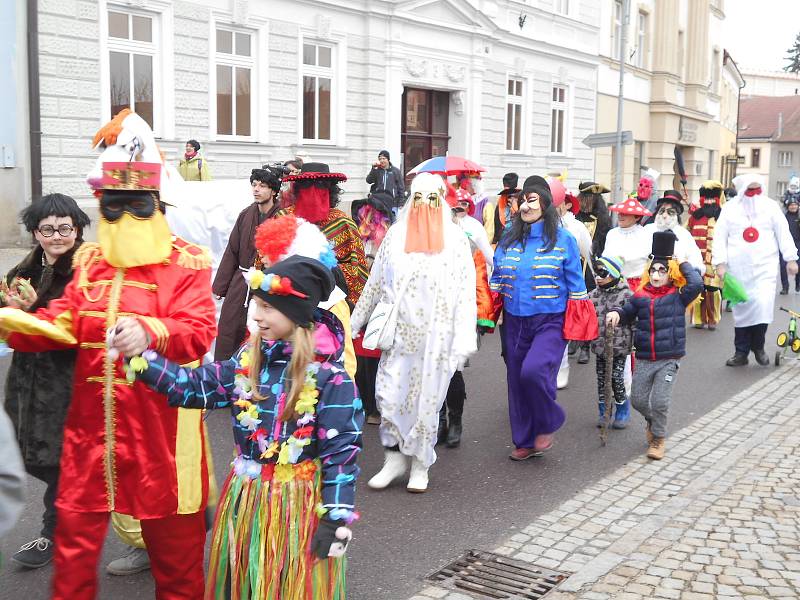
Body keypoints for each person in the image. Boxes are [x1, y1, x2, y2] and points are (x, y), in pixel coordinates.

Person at [0, 161, 217, 599]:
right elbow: (64, 322)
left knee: (177, 561)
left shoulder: (186, 261)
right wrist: (10, 320)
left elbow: (198, 331)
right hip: (89, 437)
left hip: (162, 436)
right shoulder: (92, 262)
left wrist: (153, 331)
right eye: (113, 209)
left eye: (137, 207)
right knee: (73, 556)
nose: (125, 219)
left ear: (157, 207)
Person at [130, 255, 362, 599]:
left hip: (298, 506)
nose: (256, 315)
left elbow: (341, 455)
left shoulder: (332, 378)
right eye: (257, 305)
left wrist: (335, 518)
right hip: (247, 497)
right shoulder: (246, 362)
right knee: (247, 583)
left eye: (268, 308)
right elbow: (192, 386)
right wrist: (140, 357)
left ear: (296, 314)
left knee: (291, 586)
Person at [350, 173, 476, 493]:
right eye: (417, 197)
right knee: (389, 396)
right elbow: (376, 282)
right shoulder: (395, 235)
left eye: (431, 198)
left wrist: (463, 340)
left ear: (441, 201)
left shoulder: (456, 240)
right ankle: (393, 458)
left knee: (427, 402)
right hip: (400, 335)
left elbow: (465, 294)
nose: (424, 205)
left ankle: (420, 463)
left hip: (437, 339)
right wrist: (354, 321)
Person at [0, 194, 90, 568]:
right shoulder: (24, 269)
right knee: (26, 454)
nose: (57, 236)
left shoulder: (88, 269)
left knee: (62, 463)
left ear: (78, 228)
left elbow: (80, 326)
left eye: (65, 228)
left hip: (68, 381)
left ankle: (52, 535)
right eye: (47, 229)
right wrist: (10, 310)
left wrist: (34, 311)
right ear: (35, 232)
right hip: (26, 379)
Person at [491, 175, 597, 460]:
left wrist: (583, 323)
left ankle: (548, 420)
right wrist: (490, 314)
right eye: (522, 200)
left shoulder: (563, 239)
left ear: (546, 204)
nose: (525, 206)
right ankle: (524, 440)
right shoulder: (509, 235)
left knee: (534, 371)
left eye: (531, 200)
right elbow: (497, 277)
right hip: (515, 320)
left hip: (551, 320)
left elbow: (577, 284)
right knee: (516, 379)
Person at [606, 232, 702, 460]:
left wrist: (682, 262)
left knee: (660, 401)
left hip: (669, 358)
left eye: (662, 270)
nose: (657, 275)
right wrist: (617, 314)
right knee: (638, 400)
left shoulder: (679, 295)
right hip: (645, 358)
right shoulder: (640, 296)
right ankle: (652, 421)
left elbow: (697, 283)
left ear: (671, 273)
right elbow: (627, 312)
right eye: (653, 270)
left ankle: (658, 438)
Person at [713, 174, 799, 366]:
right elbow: (719, 237)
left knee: (762, 306)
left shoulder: (770, 207)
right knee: (742, 309)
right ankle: (741, 352)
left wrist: (791, 259)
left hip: (765, 268)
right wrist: (720, 263)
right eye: (749, 191)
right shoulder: (729, 209)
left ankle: (758, 347)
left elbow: (783, 233)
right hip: (738, 269)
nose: (753, 195)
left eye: (756, 190)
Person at [437, 186, 496, 448]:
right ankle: (438, 420)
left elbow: (484, 274)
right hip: (433, 314)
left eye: (458, 209)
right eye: (450, 209)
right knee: (433, 369)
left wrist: (481, 316)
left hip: (460, 312)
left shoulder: (471, 236)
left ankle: (455, 420)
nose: (454, 213)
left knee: (454, 369)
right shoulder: (428, 236)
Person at [213, 166, 283, 361]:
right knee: (229, 327)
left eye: (262, 186)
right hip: (240, 281)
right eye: (254, 185)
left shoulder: (282, 216)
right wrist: (221, 285)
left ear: (273, 190)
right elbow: (232, 250)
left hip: (267, 284)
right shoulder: (246, 214)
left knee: (257, 331)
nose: (256, 189)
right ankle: (224, 374)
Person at [281, 162, 369, 307]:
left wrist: (325, 272)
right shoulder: (283, 219)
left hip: (331, 303)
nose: (313, 192)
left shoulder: (343, 223)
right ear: (298, 189)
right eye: (307, 184)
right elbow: (266, 260)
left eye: (320, 185)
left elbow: (357, 270)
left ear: (329, 189)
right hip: (288, 300)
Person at [350, 191, 395, 425]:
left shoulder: (391, 241)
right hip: (358, 300)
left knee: (377, 354)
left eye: (372, 213)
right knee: (360, 356)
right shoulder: (358, 237)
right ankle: (366, 404)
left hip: (381, 304)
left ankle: (379, 405)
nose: (366, 217)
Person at [552, 179, 592, 390]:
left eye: (562, 201)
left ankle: (563, 366)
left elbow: (587, 257)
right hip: (547, 283)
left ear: (568, 204)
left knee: (563, 326)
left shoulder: (577, 228)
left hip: (568, 283)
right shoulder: (542, 224)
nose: (558, 204)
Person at [588, 256, 633, 428]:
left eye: (602, 272)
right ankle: (604, 411)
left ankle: (622, 411)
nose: (598, 277)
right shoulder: (592, 296)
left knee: (616, 378)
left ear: (613, 273)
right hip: (600, 346)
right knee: (601, 380)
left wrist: (635, 343)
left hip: (619, 347)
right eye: (596, 273)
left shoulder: (627, 295)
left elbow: (635, 320)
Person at [574, 182, 612, 364]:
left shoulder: (603, 219)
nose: (588, 201)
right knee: (572, 305)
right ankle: (573, 337)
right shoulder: (573, 217)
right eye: (586, 197)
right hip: (573, 266)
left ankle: (585, 346)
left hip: (591, 270)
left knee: (589, 308)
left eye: (593, 198)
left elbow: (604, 245)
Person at [687, 181, 724, 328]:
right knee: (698, 289)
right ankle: (698, 319)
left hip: (714, 262)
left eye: (712, 198)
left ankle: (712, 319)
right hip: (696, 261)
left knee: (713, 290)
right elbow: (685, 233)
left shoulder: (723, 217)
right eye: (705, 198)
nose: (708, 201)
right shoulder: (694, 216)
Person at [643, 190, 704, 275]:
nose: (664, 215)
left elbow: (695, 260)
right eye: (662, 211)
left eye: (670, 212)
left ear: (676, 215)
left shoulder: (684, 234)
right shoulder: (647, 230)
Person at [492, 172, 521, 245]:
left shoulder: (522, 201)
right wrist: (494, 241)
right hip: (503, 240)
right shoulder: (500, 202)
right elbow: (496, 222)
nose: (509, 197)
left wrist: (515, 210)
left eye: (512, 194)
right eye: (506, 193)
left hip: (518, 239)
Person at [779, 196, 800, 294]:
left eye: (795, 205)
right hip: (785, 244)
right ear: (788, 206)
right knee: (783, 266)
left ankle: (798, 284)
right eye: (791, 205)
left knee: (799, 265)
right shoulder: (783, 217)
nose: (793, 207)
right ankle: (785, 287)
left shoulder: (799, 216)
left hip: (798, 244)